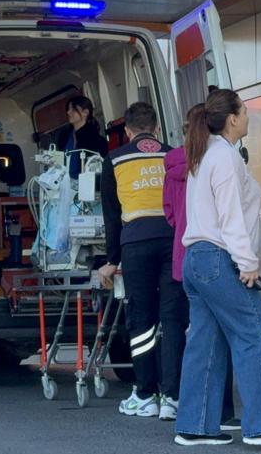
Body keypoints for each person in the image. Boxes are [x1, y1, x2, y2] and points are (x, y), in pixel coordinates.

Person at [174, 89, 261, 446]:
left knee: (206, 343)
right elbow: (230, 215)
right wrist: (247, 262)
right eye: (245, 111)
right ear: (232, 118)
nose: (248, 116)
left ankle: (195, 426)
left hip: (196, 259)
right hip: (219, 258)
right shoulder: (226, 158)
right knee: (256, 336)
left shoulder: (204, 155)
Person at [99, 102, 189, 420]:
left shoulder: (114, 159)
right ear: (157, 128)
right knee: (173, 318)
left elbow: (112, 216)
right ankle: (172, 396)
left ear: (127, 130)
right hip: (173, 241)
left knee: (141, 320)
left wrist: (111, 260)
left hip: (135, 244)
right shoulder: (175, 154)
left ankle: (145, 393)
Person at [163, 105, 240, 431]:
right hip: (217, 254)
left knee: (195, 336)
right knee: (230, 335)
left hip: (186, 257)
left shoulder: (176, 167)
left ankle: (185, 408)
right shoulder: (218, 159)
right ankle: (224, 411)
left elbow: (168, 213)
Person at [65, 96, 108, 179]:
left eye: (73, 109)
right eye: (68, 109)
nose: (68, 112)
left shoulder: (96, 141)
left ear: (85, 112)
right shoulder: (64, 137)